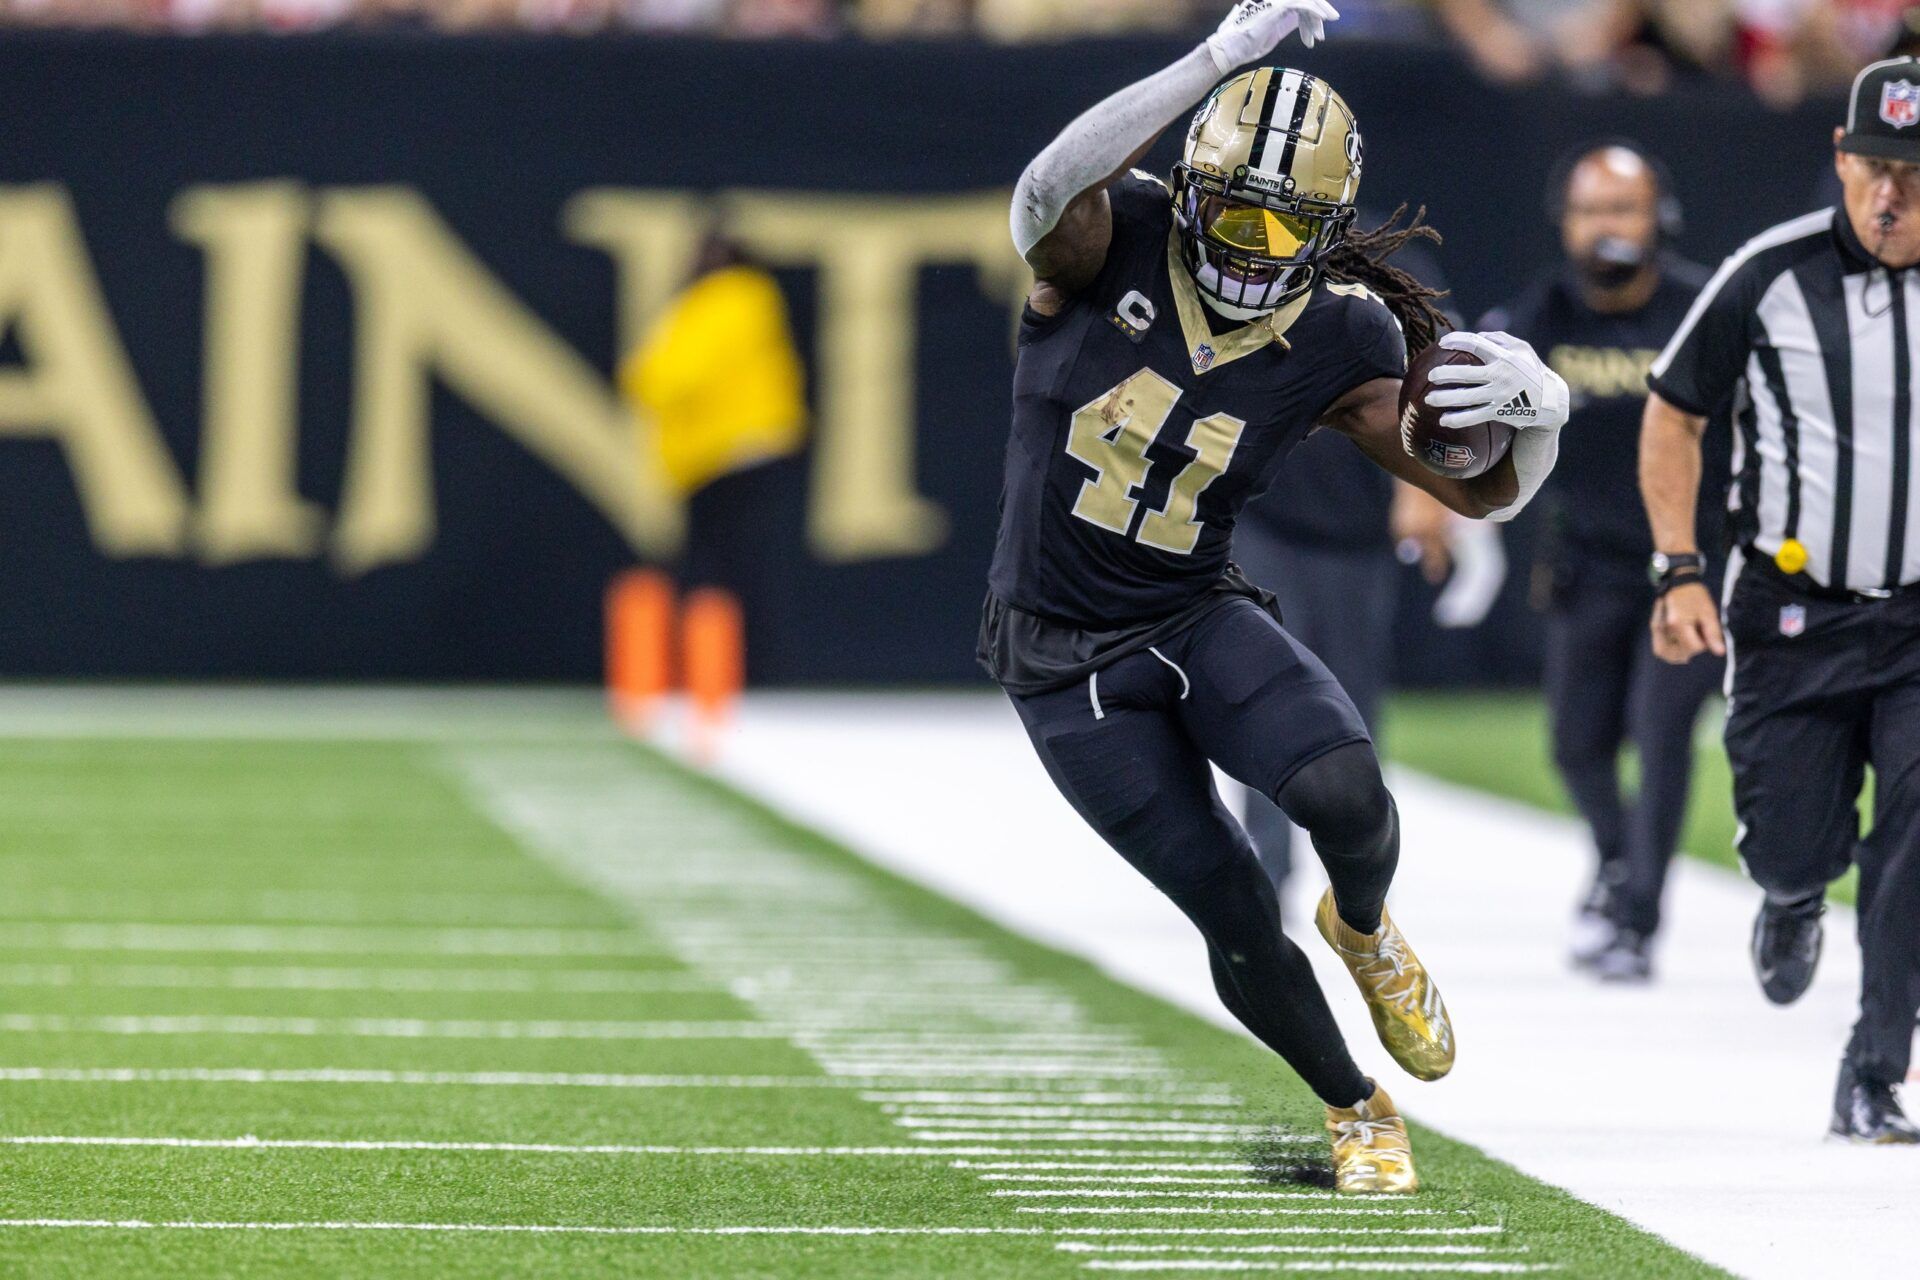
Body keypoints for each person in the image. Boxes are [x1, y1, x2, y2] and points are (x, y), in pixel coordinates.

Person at [980, 0, 1570, 1191]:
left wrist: (1541, 421)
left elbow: (1477, 496)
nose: (1252, 245)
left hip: (1192, 605)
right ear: (1187, 189)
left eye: (1284, 222)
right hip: (1061, 655)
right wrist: (1213, 62)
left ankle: (1361, 922)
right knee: (1233, 898)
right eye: (1234, 210)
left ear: (1331, 229)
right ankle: (1357, 1105)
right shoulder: (1111, 240)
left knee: (1349, 791)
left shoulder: (1344, 329)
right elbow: (1045, 186)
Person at [1642, 56, 1920, 1145]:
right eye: (1877, 166)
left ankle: (1874, 1067)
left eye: (1916, 170)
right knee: (1792, 844)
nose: (1892, 193)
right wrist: (1679, 565)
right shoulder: (1769, 273)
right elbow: (1672, 409)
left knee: (1913, 841)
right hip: (1793, 615)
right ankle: (1795, 893)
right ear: (1841, 161)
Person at [1480, 142, 1728, 983]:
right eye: (1591, 211)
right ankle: (1619, 864)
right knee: (1575, 743)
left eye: (1623, 209)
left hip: (1688, 562)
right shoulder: (1543, 312)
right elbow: (1477, 392)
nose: (1607, 228)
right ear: (1567, 222)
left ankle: (1636, 920)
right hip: (1585, 560)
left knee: (1662, 737)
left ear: (1660, 218)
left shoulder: (1706, 306)